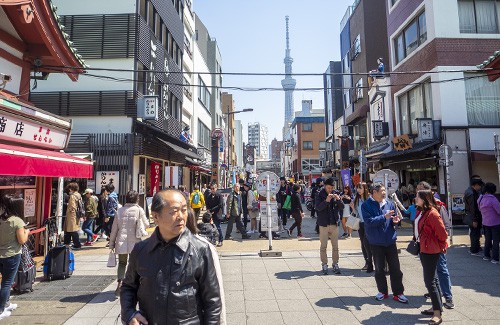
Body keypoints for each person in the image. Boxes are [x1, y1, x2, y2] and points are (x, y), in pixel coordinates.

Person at [120, 189, 224, 324]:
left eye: (184, 210)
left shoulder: (200, 249)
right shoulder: (141, 250)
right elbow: (128, 287)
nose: (181, 216)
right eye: (174, 211)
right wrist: (129, 314)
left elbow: (213, 302)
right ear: (155, 216)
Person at [362, 183, 408, 303]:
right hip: (376, 242)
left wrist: (395, 221)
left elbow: (392, 219)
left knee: (396, 269)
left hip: (390, 240)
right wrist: (384, 217)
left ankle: (398, 293)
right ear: (374, 192)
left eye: (384, 191)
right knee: (379, 269)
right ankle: (383, 291)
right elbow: (369, 222)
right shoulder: (366, 205)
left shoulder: (389, 203)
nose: (384, 193)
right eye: (381, 191)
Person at [415, 181, 455, 310]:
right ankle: (435, 295)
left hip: (435, 246)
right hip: (424, 246)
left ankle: (448, 297)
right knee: (430, 274)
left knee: (441, 269)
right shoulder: (420, 209)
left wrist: (443, 244)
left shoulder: (436, 208)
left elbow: (444, 228)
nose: (415, 195)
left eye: (418, 192)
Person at [415, 190, 448, 325]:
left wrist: (439, 245)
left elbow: (443, 234)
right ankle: (437, 307)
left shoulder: (433, 214)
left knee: (430, 281)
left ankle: (437, 314)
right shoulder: (423, 211)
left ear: (424, 198)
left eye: (417, 197)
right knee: (432, 279)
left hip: (430, 250)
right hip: (424, 248)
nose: (415, 198)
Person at [109, 190, 148, 297]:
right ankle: (135, 285)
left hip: (121, 242)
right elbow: (147, 224)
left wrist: (111, 244)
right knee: (135, 263)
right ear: (137, 199)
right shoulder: (139, 210)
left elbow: (114, 230)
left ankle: (120, 283)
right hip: (135, 243)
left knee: (122, 263)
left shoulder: (119, 211)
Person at [0, 195, 29, 321]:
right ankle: (1, 309)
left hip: (1, 254)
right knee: (6, 283)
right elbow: (22, 240)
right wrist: (27, 232)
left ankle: (6, 304)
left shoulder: (1, 219)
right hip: (12, 255)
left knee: (5, 281)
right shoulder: (17, 221)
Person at [315, 177, 344, 275]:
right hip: (323, 224)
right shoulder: (320, 194)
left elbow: (342, 207)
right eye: (328, 188)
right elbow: (317, 208)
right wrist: (326, 201)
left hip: (334, 223)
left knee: (335, 246)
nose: (330, 190)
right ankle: (324, 264)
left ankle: (335, 264)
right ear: (324, 186)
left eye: (331, 188)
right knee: (323, 246)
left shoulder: (337, 193)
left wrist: (339, 200)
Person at [351, 182, 373, 272]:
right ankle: (367, 262)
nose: (358, 190)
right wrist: (353, 208)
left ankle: (370, 262)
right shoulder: (357, 199)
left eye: (360, 188)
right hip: (360, 223)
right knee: (363, 244)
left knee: (366, 242)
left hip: (368, 223)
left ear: (365, 189)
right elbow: (356, 213)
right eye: (357, 188)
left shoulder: (369, 199)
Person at [478, 182, 500, 264]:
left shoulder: (481, 198)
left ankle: (486, 255)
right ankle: (495, 258)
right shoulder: (493, 199)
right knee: (496, 241)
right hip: (495, 222)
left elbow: (480, 209)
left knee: (487, 240)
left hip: (485, 222)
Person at [464, 178, 484, 256]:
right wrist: (474, 219)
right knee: (475, 233)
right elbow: (473, 208)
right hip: (473, 216)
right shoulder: (472, 194)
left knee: (474, 232)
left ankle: (475, 248)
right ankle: (474, 250)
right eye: (479, 186)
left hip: (471, 215)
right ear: (475, 185)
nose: (480, 188)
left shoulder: (469, 191)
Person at [64, 182, 82, 249]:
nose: (69, 190)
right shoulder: (78, 195)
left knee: (72, 230)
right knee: (70, 230)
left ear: (71, 188)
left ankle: (77, 244)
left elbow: (72, 206)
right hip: (76, 215)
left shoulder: (72, 196)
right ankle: (67, 243)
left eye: (70, 188)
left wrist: (68, 208)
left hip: (72, 215)